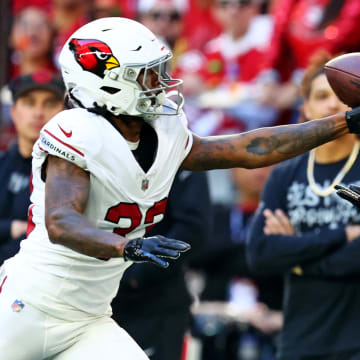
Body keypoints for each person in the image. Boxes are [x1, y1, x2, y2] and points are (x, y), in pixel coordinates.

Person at [0, 17, 359, 360]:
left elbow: (251, 148)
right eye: (145, 73)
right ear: (106, 83)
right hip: (30, 305)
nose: (160, 80)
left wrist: (344, 122)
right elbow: (62, 222)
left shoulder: (163, 128)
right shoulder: (77, 132)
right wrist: (129, 246)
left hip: (88, 317)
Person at [247, 51, 360, 360]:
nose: (332, 104)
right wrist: (343, 236)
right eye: (322, 96)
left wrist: (297, 255)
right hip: (300, 342)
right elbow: (259, 253)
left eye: (340, 95)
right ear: (306, 109)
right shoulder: (285, 174)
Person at [112, 170, 211, 360]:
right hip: (91, 298)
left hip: (153, 303)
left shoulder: (181, 146)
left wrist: (134, 276)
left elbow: (193, 230)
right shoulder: (86, 145)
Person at [0, 71, 65, 266]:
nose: (38, 112)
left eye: (50, 103)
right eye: (29, 103)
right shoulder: (3, 163)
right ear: (13, 112)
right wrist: (11, 227)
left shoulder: (70, 174)